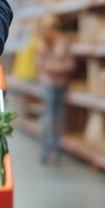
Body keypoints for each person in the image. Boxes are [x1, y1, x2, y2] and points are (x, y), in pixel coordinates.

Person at [38, 15, 74, 164]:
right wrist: (49, 67)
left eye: (50, 28)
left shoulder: (62, 43)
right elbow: (40, 64)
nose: (48, 32)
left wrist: (58, 68)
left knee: (58, 118)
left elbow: (70, 64)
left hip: (60, 85)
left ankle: (56, 150)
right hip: (47, 85)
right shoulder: (42, 45)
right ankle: (45, 150)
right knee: (48, 118)